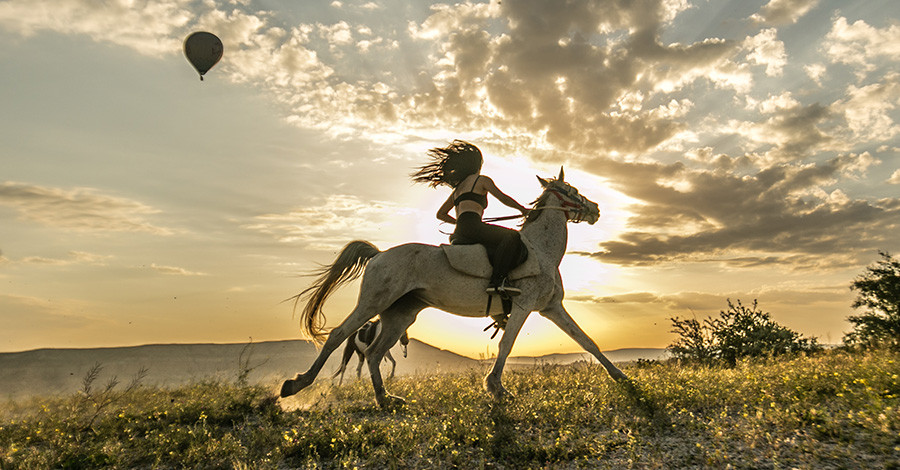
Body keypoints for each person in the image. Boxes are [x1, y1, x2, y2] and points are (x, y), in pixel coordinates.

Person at [411, 140, 530, 299]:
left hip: (459, 233)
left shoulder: (457, 189)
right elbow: (502, 197)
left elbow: (440, 214)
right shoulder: (481, 180)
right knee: (513, 237)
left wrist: (458, 222)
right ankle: (497, 282)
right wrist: (522, 209)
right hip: (473, 228)